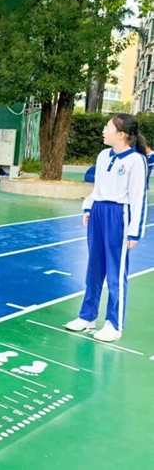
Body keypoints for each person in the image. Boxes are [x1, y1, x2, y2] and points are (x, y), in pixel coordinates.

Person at [66, 114, 148, 342]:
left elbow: (139, 198)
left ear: (121, 134)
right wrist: (88, 207)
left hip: (118, 216)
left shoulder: (136, 161)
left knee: (115, 273)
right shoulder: (103, 156)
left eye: (107, 127)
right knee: (93, 269)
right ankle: (87, 316)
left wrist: (134, 232)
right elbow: (98, 188)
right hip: (98, 213)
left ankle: (114, 324)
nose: (103, 130)